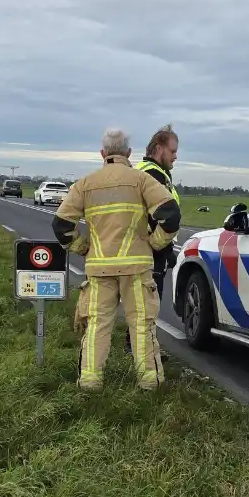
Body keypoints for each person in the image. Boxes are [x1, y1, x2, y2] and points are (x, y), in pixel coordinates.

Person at [53, 127, 182, 391]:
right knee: (141, 326)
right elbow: (171, 215)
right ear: (129, 153)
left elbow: (60, 225)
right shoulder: (141, 180)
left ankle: (89, 383)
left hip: (99, 269)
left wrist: (83, 248)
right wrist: (154, 243)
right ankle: (149, 383)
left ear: (102, 154)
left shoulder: (85, 185)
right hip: (136, 268)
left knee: (97, 326)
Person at [125, 124, 181, 359]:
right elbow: (157, 215)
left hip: (149, 248)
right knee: (148, 304)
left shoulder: (153, 172)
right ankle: (143, 352)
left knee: (144, 303)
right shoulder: (153, 175)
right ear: (159, 148)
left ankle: (137, 347)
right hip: (152, 251)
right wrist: (163, 247)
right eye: (172, 151)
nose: (175, 156)